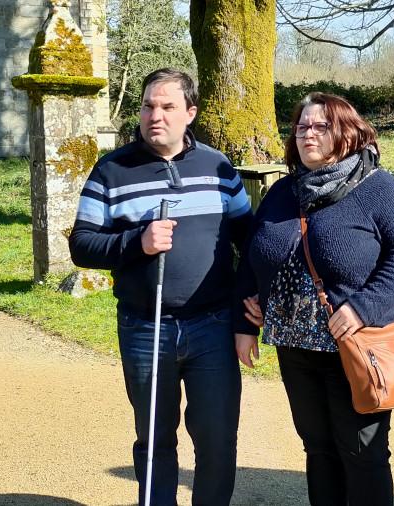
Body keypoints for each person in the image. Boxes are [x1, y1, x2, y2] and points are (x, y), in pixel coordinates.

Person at [68, 68, 252, 506]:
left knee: (217, 438)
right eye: (149, 105)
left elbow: (250, 240)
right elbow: (82, 244)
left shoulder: (218, 167)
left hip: (213, 326)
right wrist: (138, 241)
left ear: (190, 112)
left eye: (168, 107)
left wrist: (250, 308)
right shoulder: (112, 169)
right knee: (154, 439)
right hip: (145, 328)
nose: (156, 116)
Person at [234, 92, 394, 505]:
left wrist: (363, 306)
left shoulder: (378, 189)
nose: (308, 134)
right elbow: (253, 253)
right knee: (317, 449)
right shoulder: (283, 191)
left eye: (320, 126)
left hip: (355, 346)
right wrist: (245, 321)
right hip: (295, 346)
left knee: (362, 452)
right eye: (302, 126)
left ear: (346, 132)